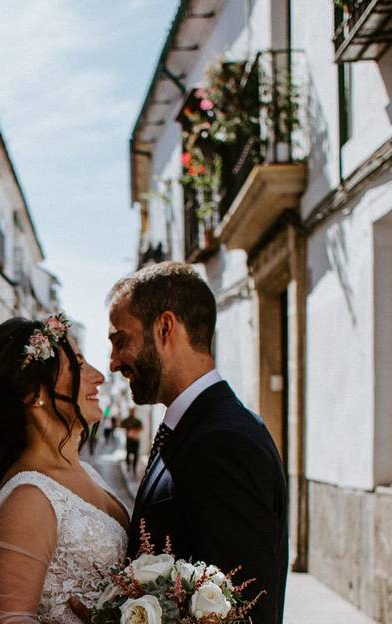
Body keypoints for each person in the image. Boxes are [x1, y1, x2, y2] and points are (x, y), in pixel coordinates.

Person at [107, 262, 288, 624]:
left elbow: (241, 610)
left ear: (165, 328)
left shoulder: (224, 442)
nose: (113, 363)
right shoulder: (196, 426)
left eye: (120, 340)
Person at [0, 313, 129, 623]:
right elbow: (11, 618)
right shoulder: (28, 498)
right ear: (34, 394)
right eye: (79, 366)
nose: (98, 376)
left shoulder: (88, 472)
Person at [120, 408, 143, 475]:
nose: (132, 412)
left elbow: (141, 428)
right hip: (129, 440)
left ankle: (134, 469)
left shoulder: (137, 421)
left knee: (136, 454)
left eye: (133, 411)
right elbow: (121, 425)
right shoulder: (127, 420)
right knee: (128, 453)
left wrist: (135, 431)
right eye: (131, 411)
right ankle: (128, 466)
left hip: (136, 439)